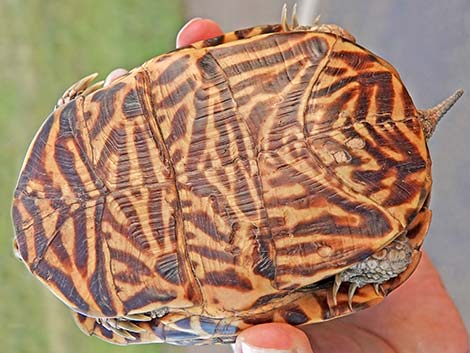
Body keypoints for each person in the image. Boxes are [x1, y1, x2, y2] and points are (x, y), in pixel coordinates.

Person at [104, 18, 469, 353]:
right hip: (337, 84)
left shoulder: (115, 308)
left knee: (387, 257)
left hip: (368, 185)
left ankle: (366, 256)